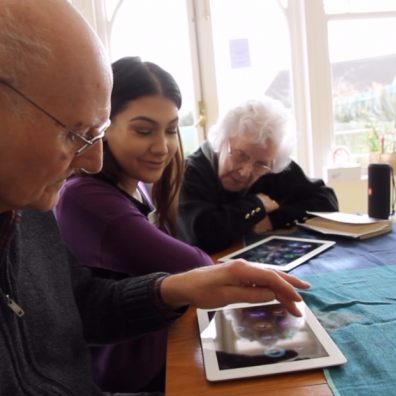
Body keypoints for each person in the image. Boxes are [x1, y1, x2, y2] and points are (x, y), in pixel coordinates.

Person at [0, 1, 310, 395]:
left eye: (94, 134)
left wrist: (174, 290)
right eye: (73, 133)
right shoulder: (72, 195)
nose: (94, 160)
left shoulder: (30, 208)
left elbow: (80, 303)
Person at [55, 56, 213, 393]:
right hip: (128, 379)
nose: (162, 147)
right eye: (143, 130)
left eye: (171, 129)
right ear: (104, 126)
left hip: (161, 348)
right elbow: (195, 267)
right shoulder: (85, 197)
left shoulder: (137, 183)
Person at [177, 98, 339, 253]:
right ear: (222, 140)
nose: (245, 172)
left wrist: (274, 219)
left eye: (260, 164)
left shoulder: (270, 164)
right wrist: (257, 204)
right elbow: (204, 235)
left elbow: (327, 201)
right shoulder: (189, 172)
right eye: (240, 155)